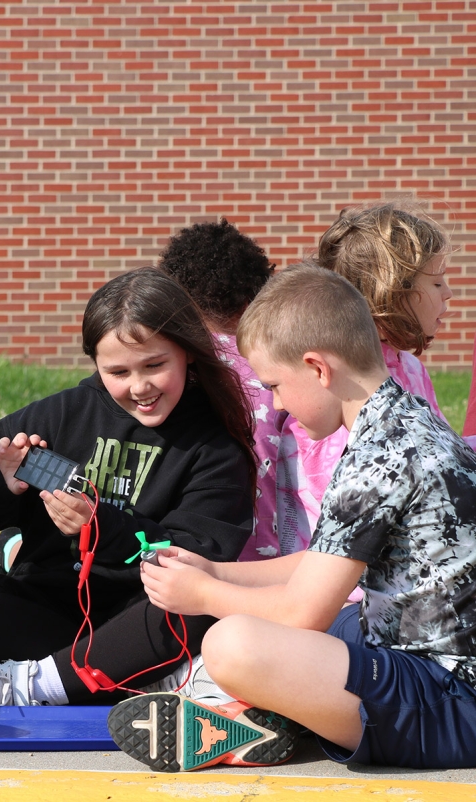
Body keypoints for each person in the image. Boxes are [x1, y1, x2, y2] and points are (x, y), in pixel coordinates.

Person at [108, 264, 476, 772]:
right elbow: (322, 560)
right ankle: (271, 713)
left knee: (232, 643)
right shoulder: (402, 420)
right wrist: (215, 569)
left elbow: (305, 614)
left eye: (276, 385)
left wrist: (204, 596)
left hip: (451, 702)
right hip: (429, 662)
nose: (276, 405)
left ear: (318, 368)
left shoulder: (377, 459)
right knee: (338, 624)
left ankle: (259, 710)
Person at [0, 267, 257, 719]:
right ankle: (143, 681)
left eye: (155, 365)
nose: (140, 386)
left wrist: (102, 528)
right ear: (95, 363)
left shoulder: (215, 446)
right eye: (118, 371)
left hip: (143, 613)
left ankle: (26, 686)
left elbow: (199, 554)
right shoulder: (58, 416)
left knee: (198, 608)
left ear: (187, 353)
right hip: (56, 608)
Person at [278, 199, 466, 546]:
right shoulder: (335, 386)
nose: (449, 294)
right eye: (437, 283)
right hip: (347, 586)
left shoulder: (409, 368)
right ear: (392, 291)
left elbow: (440, 456)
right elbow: (346, 522)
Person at [157, 219, 286, 560]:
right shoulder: (281, 370)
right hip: (277, 564)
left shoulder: (166, 369)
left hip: (178, 556)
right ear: (251, 302)